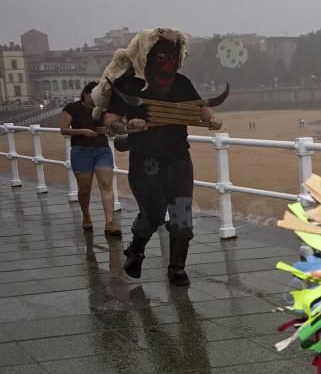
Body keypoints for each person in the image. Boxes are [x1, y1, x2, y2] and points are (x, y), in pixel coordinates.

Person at [94, 28, 222, 287]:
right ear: (147, 55)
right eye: (161, 56)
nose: (168, 62)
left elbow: (199, 106)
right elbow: (110, 119)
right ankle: (136, 250)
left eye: (172, 56)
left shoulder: (182, 83)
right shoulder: (129, 84)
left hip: (178, 159)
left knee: (181, 217)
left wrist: (211, 120)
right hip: (145, 162)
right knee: (152, 214)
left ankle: (177, 269)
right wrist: (126, 126)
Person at [59, 81, 120, 236]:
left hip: (102, 149)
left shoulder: (103, 109)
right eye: (94, 96)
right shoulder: (72, 108)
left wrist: (108, 130)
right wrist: (83, 132)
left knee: (106, 184)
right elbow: (64, 129)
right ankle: (86, 215)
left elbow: (113, 132)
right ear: (86, 94)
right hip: (81, 151)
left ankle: (110, 222)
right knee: (85, 189)